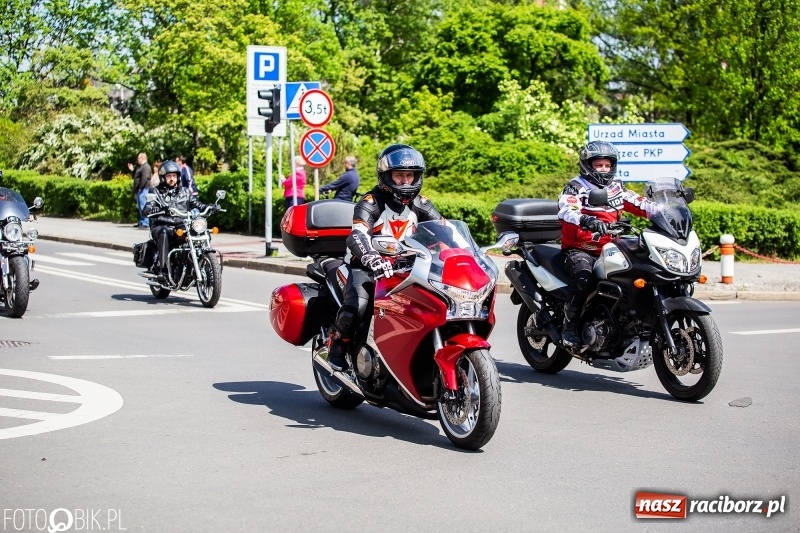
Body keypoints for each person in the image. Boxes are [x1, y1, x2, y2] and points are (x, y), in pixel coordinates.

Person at [327, 144, 444, 371]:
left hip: (406, 268)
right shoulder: (372, 202)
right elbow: (358, 234)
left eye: (410, 175)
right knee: (359, 306)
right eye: (399, 175)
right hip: (363, 267)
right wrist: (371, 257)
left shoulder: (422, 203)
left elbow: (443, 232)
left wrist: (462, 252)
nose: (405, 181)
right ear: (386, 176)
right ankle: (338, 346)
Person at [557, 140, 660, 348]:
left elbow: (639, 202)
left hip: (612, 248)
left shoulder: (616, 188)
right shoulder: (575, 187)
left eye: (607, 165)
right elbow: (567, 210)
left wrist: (663, 209)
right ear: (588, 165)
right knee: (584, 279)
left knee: (640, 271)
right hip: (581, 249)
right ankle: (570, 324)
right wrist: (587, 220)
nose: (604, 169)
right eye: (599, 165)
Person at [142, 160, 219, 283]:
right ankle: (163, 270)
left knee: (198, 231)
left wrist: (210, 207)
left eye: (174, 176)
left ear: (178, 177)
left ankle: (198, 265)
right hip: (162, 224)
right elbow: (147, 208)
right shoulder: (155, 191)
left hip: (180, 225)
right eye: (169, 176)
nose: (172, 179)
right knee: (164, 232)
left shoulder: (185, 192)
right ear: (163, 178)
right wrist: (156, 208)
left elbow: (196, 204)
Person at [128, 153, 152, 229]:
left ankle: (145, 222)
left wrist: (141, 187)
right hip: (140, 189)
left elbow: (145, 178)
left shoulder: (146, 167)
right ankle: (142, 221)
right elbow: (137, 176)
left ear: (142, 158)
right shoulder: (141, 167)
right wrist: (132, 170)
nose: (137, 160)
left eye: (138, 158)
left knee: (143, 206)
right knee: (140, 207)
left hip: (144, 189)